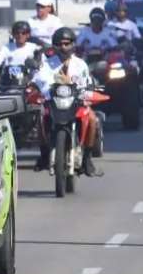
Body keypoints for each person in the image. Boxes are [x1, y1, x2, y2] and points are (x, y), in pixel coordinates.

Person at [33, 27, 100, 175]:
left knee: (93, 119)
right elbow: (38, 80)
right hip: (54, 103)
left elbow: (87, 83)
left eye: (67, 43)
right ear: (54, 45)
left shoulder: (80, 64)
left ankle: (87, 158)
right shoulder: (47, 64)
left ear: (73, 44)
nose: (64, 47)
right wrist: (41, 92)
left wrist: (87, 95)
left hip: (76, 104)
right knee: (40, 116)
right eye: (60, 44)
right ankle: (44, 155)